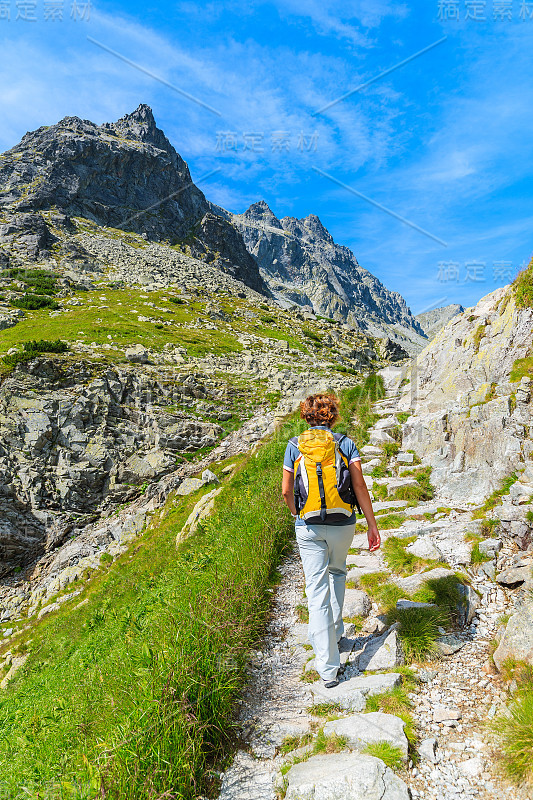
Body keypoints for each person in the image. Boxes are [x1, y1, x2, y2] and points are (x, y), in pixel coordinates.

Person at [282, 392, 380, 688]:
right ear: (333, 414)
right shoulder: (346, 444)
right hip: (344, 523)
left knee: (316, 591)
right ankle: (337, 632)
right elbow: (359, 485)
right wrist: (372, 525)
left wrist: (297, 515)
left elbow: (286, 490)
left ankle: (327, 668)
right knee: (337, 571)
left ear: (306, 416)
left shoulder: (293, 446)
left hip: (308, 525)